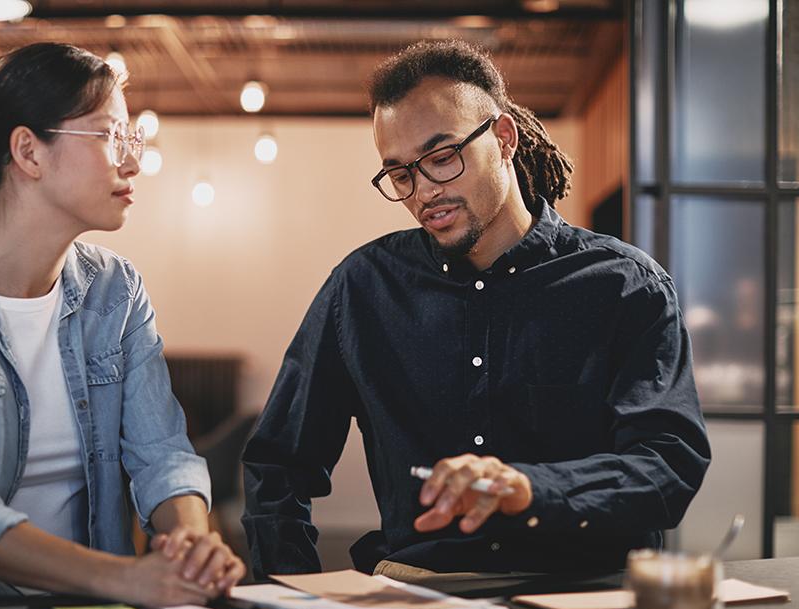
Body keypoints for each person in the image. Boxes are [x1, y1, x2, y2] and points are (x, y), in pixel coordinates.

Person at [241, 40, 710, 579]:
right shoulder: (362, 288)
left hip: (582, 591)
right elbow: (278, 464)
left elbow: (668, 464)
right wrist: (289, 594)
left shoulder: (625, 285)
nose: (424, 192)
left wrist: (532, 489)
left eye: (443, 158)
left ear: (504, 138)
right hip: (418, 591)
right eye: (401, 175)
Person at [0, 42, 244, 609]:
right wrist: (122, 578)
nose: (132, 163)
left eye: (131, 139)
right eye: (109, 136)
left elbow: (163, 454)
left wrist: (192, 545)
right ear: (29, 152)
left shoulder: (116, 290)